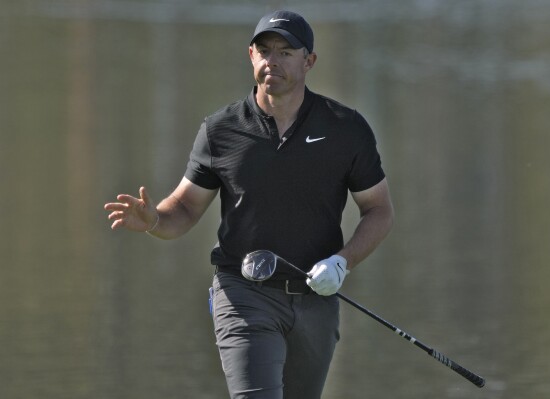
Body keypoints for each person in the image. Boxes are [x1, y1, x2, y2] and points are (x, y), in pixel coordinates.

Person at [104, 10, 394, 399]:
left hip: (317, 298)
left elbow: (379, 210)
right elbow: (185, 209)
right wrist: (155, 219)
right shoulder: (221, 130)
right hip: (243, 292)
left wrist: (342, 262)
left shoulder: (345, 128)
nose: (272, 60)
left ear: (309, 61)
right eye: (264, 50)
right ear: (251, 56)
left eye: (286, 52)